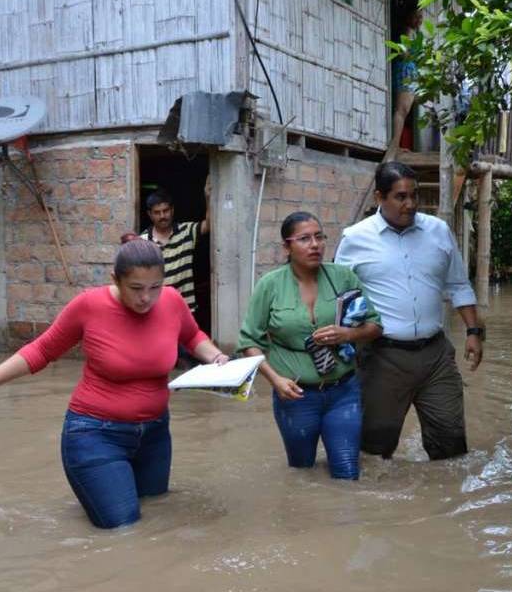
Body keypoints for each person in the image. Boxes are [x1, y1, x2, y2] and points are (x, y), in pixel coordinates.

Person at [0, 239, 232, 528]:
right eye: (136, 288)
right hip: (95, 435)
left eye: (155, 287)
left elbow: (191, 336)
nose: (146, 298)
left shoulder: (172, 301)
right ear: (115, 279)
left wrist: (215, 356)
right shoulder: (89, 306)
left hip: (154, 436)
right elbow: (42, 350)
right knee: (123, 526)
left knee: (157, 516)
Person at [334, 161, 484, 461]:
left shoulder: (438, 231)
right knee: (374, 451)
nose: (411, 204)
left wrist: (473, 331)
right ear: (380, 198)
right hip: (381, 358)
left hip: (436, 357)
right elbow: (340, 297)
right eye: (401, 197)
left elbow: (457, 284)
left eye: (414, 196)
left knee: (451, 447)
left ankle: (448, 502)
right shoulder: (355, 238)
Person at [238, 212, 382, 480]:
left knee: (348, 472)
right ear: (287, 246)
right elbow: (249, 342)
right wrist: (275, 380)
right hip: (294, 395)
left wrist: (347, 334)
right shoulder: (269, 285)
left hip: (344, 392)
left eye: (319, 237)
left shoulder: (344, 277)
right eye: (304, 239)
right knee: (301, 473)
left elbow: (375, 326)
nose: (315, 244)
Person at [140, 186, 209, 315]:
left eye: (165, 211)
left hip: (186, 310)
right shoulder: (142, 242)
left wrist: (208, 197)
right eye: (157, 212)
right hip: (156, 311)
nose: (162, 216)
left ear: (172, 210)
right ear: (150, 214)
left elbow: (209, 225)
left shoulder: (186, 231)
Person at [386, 9, 424, 158]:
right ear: (410, 17)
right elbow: (403, 53)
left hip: (412, 73)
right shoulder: (408, 31)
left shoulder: (416, 34)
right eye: (417, 16)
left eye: (421, 17)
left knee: (406, 110)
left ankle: (399, 145)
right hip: (406, 71)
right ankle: (394, 146)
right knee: (401, 110)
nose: (419, 20)